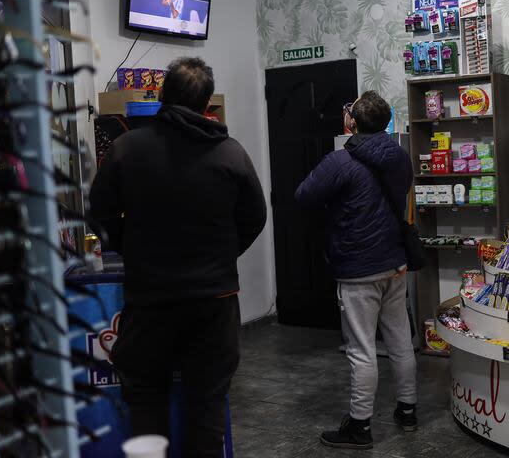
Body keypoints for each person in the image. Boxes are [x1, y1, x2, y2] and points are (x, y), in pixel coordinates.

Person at [89, 57, 266, 457]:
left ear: (161, 97)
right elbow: (255, 217)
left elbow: (99, 215)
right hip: (214, 304)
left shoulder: (125, 149)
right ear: (206, 104)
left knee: (146, 400)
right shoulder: (230, 153)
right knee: (206, 405)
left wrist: (130, 248)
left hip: (149, 300)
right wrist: (222, 254)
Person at [295, 91, 417, 450]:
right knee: (399, 340)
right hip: (394, 262)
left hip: (358, 266)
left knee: (361, 349)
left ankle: (360, 426)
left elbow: (303, 195)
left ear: (353, 122)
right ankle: (408, 409)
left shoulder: (341, 160)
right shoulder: (399, 157)